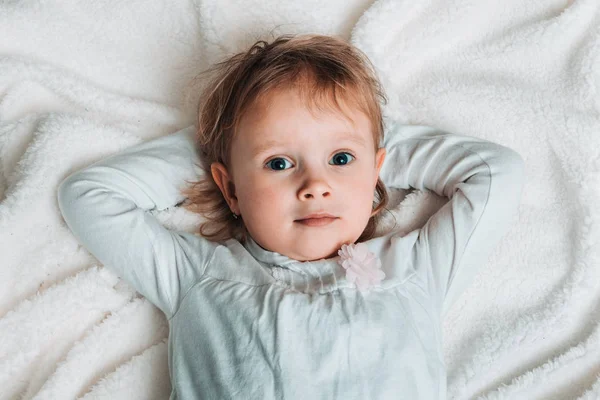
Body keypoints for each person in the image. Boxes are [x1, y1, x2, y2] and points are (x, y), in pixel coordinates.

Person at [57, 33, 525, 399]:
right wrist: (220, 141)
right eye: (278, 163)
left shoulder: (416, 270)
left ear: (378, 171)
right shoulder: (198, 277)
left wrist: (367, 133)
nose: (315, 185)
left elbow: (495, 174)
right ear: (231, 189)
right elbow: (90, 195)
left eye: (340, 160)